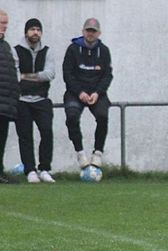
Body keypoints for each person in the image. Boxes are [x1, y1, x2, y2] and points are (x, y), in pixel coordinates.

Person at [62, 18, 112, 170]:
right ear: (83, 31)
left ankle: (98, 152)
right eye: (88, 30)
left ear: (99, 33)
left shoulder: (104, 51)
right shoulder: (72, 49)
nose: (91, 33)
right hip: (75, 92)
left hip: (97, 92)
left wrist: (97, 93)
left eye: (93, 31)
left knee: (103, 117)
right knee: (71, 117)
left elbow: (107, 75)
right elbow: (67, 74)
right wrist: (79, 92)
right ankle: (80, 152)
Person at [15, 18, 56, 183]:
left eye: (38, 30)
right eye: (32, 29)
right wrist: (37, 77)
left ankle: (44, 169)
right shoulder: (16, 51)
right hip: (22, 100)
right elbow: (15, 76)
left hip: (42, 99)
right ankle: (30, 170)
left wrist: (26, 76)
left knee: (47, 132)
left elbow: (49, 74)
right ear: (26, 32)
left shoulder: (47, 51)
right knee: (25, 136)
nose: (35, 33)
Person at [0, 10, 20, 184]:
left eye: (6, 23)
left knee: (1, 141)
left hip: (5, 104)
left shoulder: (6, 46)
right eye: (1, 22)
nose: (4, 26)